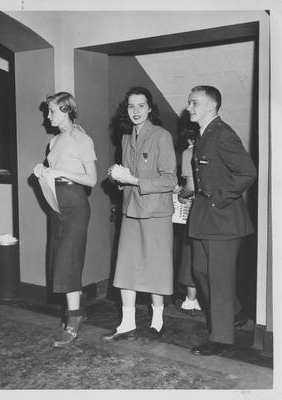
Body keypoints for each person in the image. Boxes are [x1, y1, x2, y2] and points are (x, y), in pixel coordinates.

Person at [186, 85, 256, 356]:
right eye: (189, 102)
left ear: (211, 107)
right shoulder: (204, 134)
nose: (189, 108)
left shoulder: (223, 134)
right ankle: (235, 311)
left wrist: (217, 200)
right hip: (206, 216)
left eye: (194, 103)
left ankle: (222, 338)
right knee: (200, 270)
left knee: (219, 278)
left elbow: (247, 172)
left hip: (224, 218)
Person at [103, 87, 177, 342]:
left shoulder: (162, 136)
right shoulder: (125, 139)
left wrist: (132, 178)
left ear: (150, 108)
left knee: (156, 268)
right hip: (131, 210)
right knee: (126, 266)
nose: (135, 111)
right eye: (131, 107)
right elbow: (127, 179)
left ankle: (158, 322)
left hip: (156, 212)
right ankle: (127, 323)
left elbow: (169, 180)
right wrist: (117, 177)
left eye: (141, 106)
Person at [33, 92, 97, 347]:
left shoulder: (82, 139)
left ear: (66, 110)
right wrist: (43, 171)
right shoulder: (53, 141)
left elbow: (91, 179)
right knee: (59, 258)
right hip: (55, 202)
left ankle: (74, 319)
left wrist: (60, 171)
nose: (47, 116)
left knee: (69, 260)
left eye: (51, 111)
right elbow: (53, 171)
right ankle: (77, 308)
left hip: (75, 203)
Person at [176, 136, 202, 313]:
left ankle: (190, 299)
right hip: (215, 210)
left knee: (190, 254)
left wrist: (180, 194)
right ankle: (199, 298)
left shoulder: (188, 153)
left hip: (196, 208)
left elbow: (191, 187)